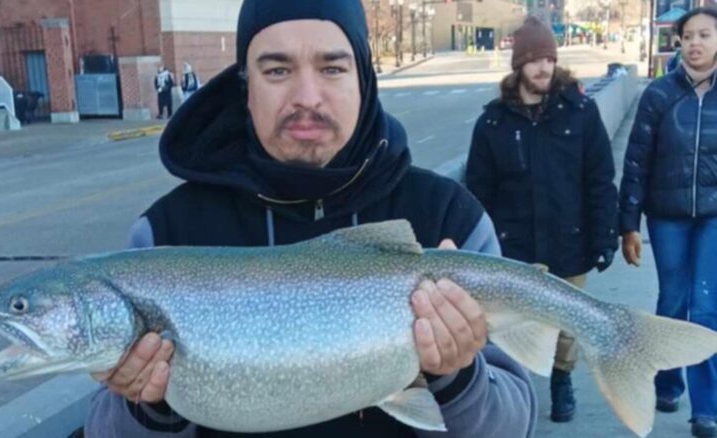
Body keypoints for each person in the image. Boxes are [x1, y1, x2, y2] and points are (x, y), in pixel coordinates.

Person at [84, 1, 537, 437]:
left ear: (364, 80)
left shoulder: (448, 218)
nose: (306, 97)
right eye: (277, 70)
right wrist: (148, 406)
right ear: (245, 86)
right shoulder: (167, 237)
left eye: (332, 68)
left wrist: (456, 379)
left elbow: (513, 427)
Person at [465, 16, 618, 425]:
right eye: (534, 61)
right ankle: (512, 387)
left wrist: (606, 235)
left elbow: (600, 177)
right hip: (513, 247)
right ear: (519, 65)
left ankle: (561, 381)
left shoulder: (581, 112)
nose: (543, 68)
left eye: (549, 59)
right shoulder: (493, 123)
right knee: (514, 324)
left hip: (570, 237)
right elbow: (477, 194)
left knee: (568, 322)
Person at [619, 7, 717, 437]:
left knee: (707, 305)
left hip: (715, 217)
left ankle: (706, 409)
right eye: (689, 36)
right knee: (673, 302)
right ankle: (668, 379)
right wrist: (629, 223)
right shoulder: (659, 94)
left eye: (705, 35)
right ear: (678, 42)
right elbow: (636, 160)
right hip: (668, 217)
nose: (695, 43)